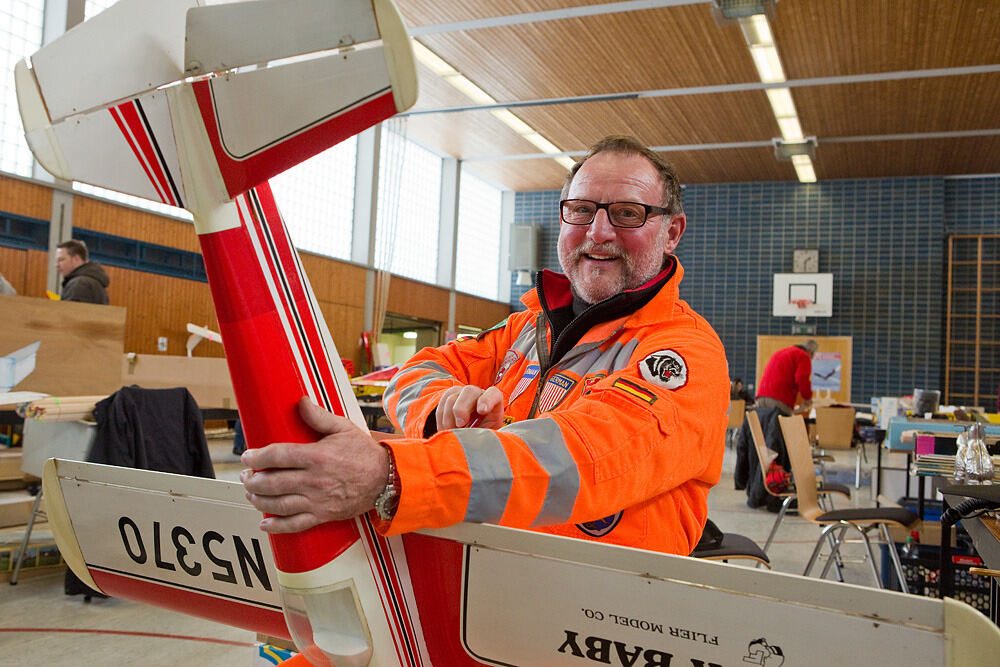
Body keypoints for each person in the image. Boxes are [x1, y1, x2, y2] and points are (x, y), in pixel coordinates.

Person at [240, 135, 730, 555]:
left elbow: (582, 459)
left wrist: (393, 473)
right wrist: (439, 412)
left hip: (598, 623)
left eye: (628, 213)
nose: (598, 232)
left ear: (671, 232)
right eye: (581, 210)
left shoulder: (685, 352)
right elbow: (416, 372)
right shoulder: (523, 329)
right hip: (474, 585)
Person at [755, 340, 818, 416]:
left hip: (762, 396)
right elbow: (802, 379)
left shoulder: (781, 352)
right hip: (779, 398)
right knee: (783, 426)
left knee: (764, 427)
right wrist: (807, 398)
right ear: (810, 352)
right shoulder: (803, 355)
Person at [55, 239, 109, 304]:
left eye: (61, 259)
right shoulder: (95, 282)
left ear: (76, 259)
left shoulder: (79, 284)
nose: (56, 265)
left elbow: (69, 313)